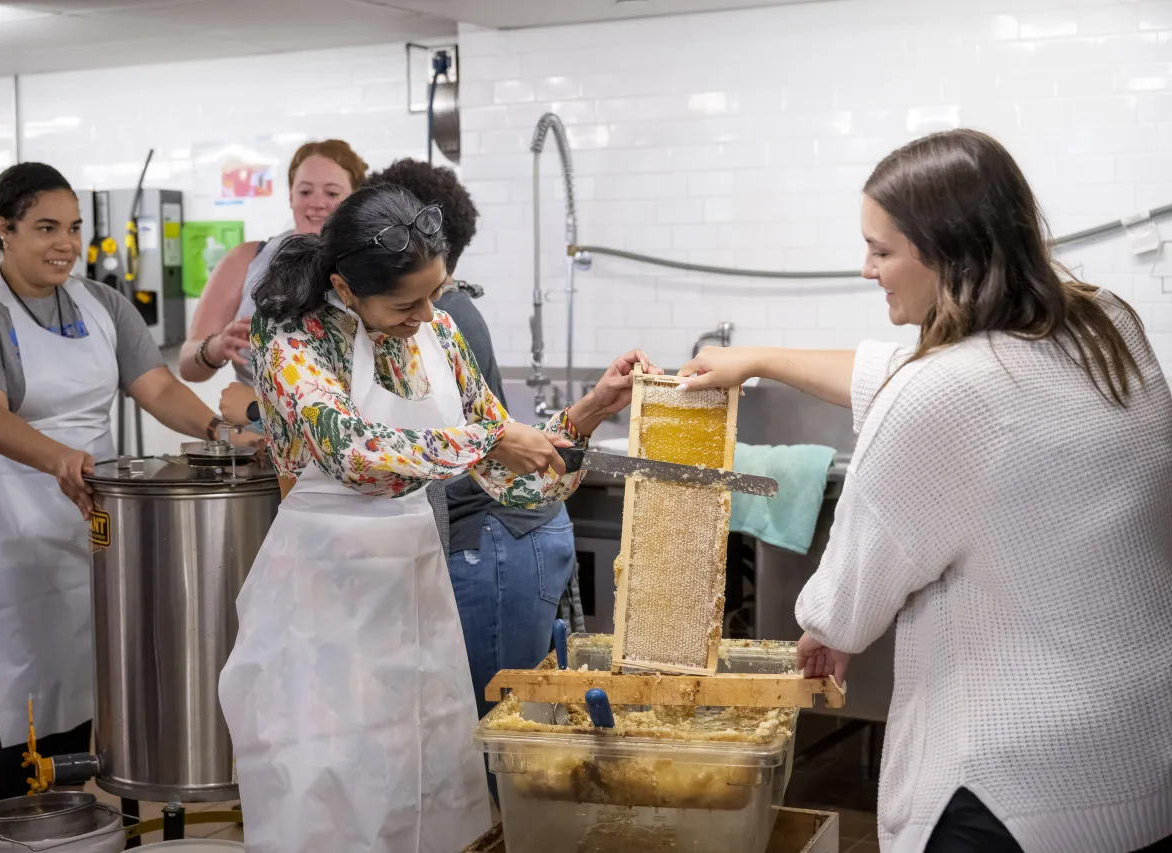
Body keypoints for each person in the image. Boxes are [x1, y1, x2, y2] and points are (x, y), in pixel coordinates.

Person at [680, 129, 1172, 853]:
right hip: (1142, 759)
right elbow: (910, 375)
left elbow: (842, 608)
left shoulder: (941, 393)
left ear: (946, 251)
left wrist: (826, 629)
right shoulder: (1104, 327)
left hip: (1011, 796)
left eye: (882, 250)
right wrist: (754, 358)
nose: (866, 268)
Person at [217, 184, 655, 853]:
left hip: (414, 597)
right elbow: (355, 453)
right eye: (407, 302)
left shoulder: (439, 332)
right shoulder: (294, 335)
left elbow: (506, 476)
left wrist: (590, 411)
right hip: (320, 598)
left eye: (436, 292)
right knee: (331, 783)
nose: (428, 313)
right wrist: (490, 440)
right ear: (344, 285)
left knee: (424, 773)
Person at [0, 162, 257, 802]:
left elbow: (157, 385)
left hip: (93, 518)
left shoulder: (101, 303)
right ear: (4, 229)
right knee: (36, 693)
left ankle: (77, 823)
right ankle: (24, 826)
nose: (65, 244)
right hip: (8, 524)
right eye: (46, 227)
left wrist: (221, 434)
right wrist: (58, 457)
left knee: (93, 685)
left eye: (74, 228)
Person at [365, 159, 577, 736]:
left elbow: (463, 447)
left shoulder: (442, 321)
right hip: (488, 539)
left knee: (496, 739)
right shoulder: (395, 324)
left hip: (493, 541)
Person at [180, 139, 366, 421]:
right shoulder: (247, 258)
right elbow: (188, 364)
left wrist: (258, 409)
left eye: (331, 193)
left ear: (354, 200)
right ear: (290, 195)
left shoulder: (370, 268)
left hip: (340, 439)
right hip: (254, 445)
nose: (317, 203)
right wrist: (215, 347)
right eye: (305, 191)